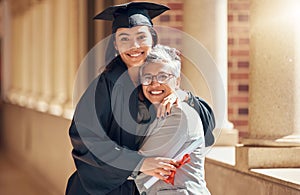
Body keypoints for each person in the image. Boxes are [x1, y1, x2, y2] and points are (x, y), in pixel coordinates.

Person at [66, 2, 215, 195]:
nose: (134, 46)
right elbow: (85, 138)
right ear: (115, 44)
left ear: (153, 39)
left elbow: (206, 127)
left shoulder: (160, 80)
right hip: (105, 190)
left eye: (141, 36)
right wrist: (138, 163)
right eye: (124, 38)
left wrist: (184, 96)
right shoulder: (104, 86)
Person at [134, 44, 210, 195]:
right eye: (148, 77)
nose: (155, 84)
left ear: (177, 81)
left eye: (163, 76)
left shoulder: (179, 115)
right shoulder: (153, 114)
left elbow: (144, 162)